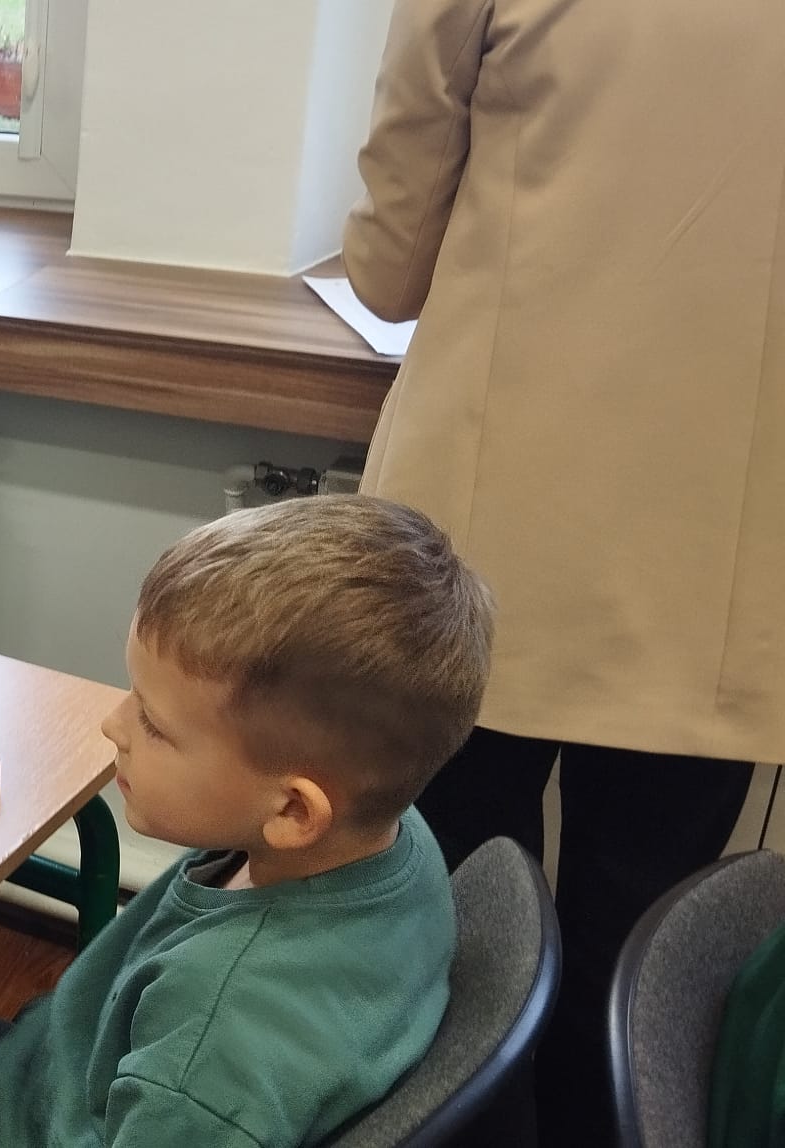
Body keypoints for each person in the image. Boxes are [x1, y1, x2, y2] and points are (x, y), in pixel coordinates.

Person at [342, 1, 784, 1138]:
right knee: (636, 969)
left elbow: (387, 271)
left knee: (446, 926)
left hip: (487, 522)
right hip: (723, 541)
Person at [0, 495, 492, 1148]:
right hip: (41, 1082)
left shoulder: (213, 1052)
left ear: (294, 810)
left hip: (20, 1125)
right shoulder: (389, 832)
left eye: (154, 724)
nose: (113, 725)